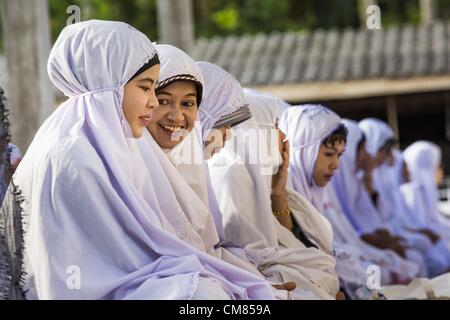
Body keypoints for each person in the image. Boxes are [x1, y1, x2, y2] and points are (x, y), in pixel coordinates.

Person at [10, 20, 275, 300]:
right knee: (204, 295)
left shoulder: (111, 146)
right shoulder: (73, 155)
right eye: (146, 88)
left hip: (121, 280)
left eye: (188, 103)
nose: (151, 102)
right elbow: (107, 266)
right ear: (110, 83)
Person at [208, 90, 341, 299]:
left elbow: (285, 237)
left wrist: (277, 192)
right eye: (276, 126)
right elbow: (244, 253)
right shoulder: (230, 175)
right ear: (257, 130)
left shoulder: (262, 174)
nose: (282, 136)